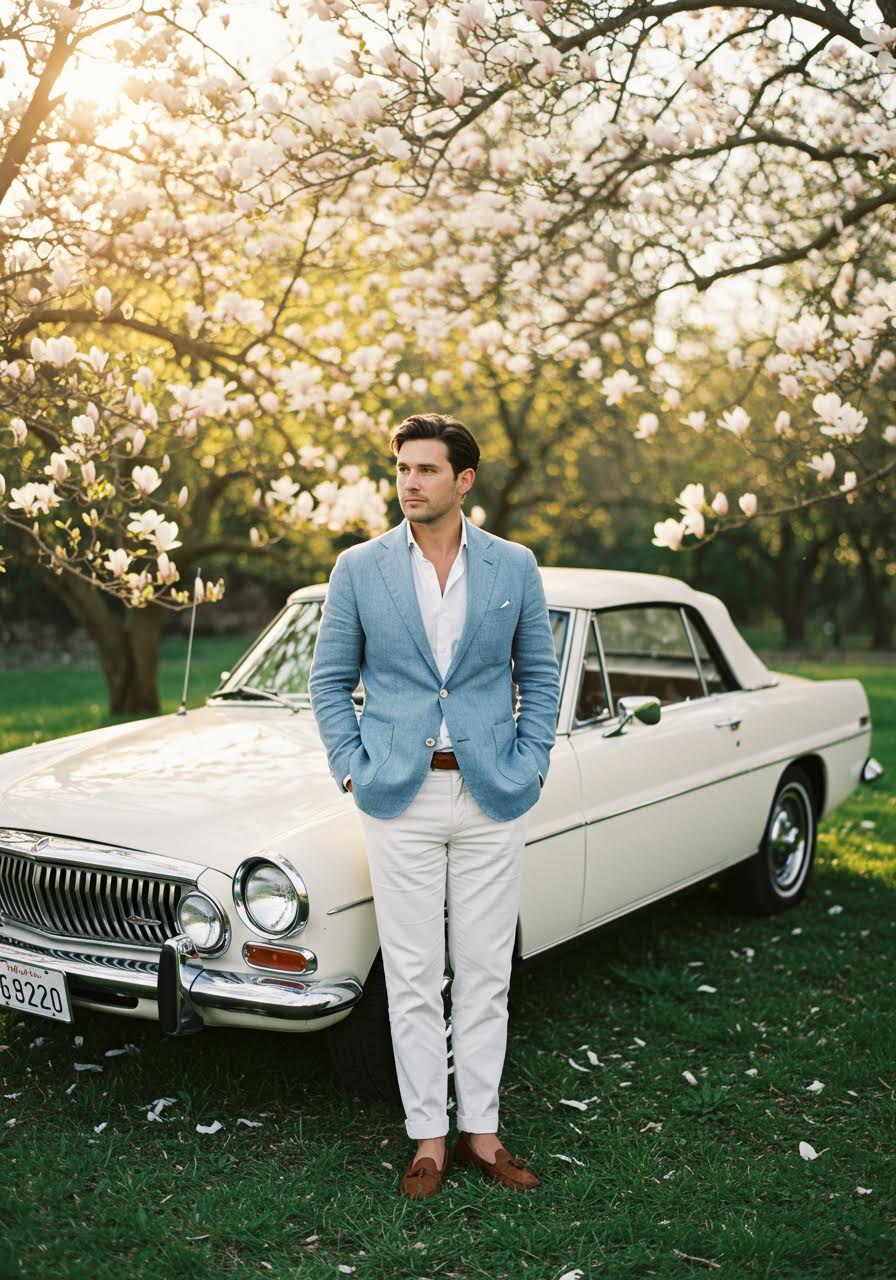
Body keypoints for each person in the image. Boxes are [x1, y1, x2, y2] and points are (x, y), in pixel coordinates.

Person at [308, 412, 561, 1198]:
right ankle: (427, 1137)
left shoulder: (514, 566)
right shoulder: (359, 567)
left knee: (486, 970)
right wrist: (353, 767)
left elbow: (541, 679)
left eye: (425, 469)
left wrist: (531, 762)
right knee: (414, 976)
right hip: (397, 798)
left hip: (492, 794)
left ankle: (482, 1133)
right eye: (401, 469)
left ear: (464, 480)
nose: (409, 482)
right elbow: (327, 681)